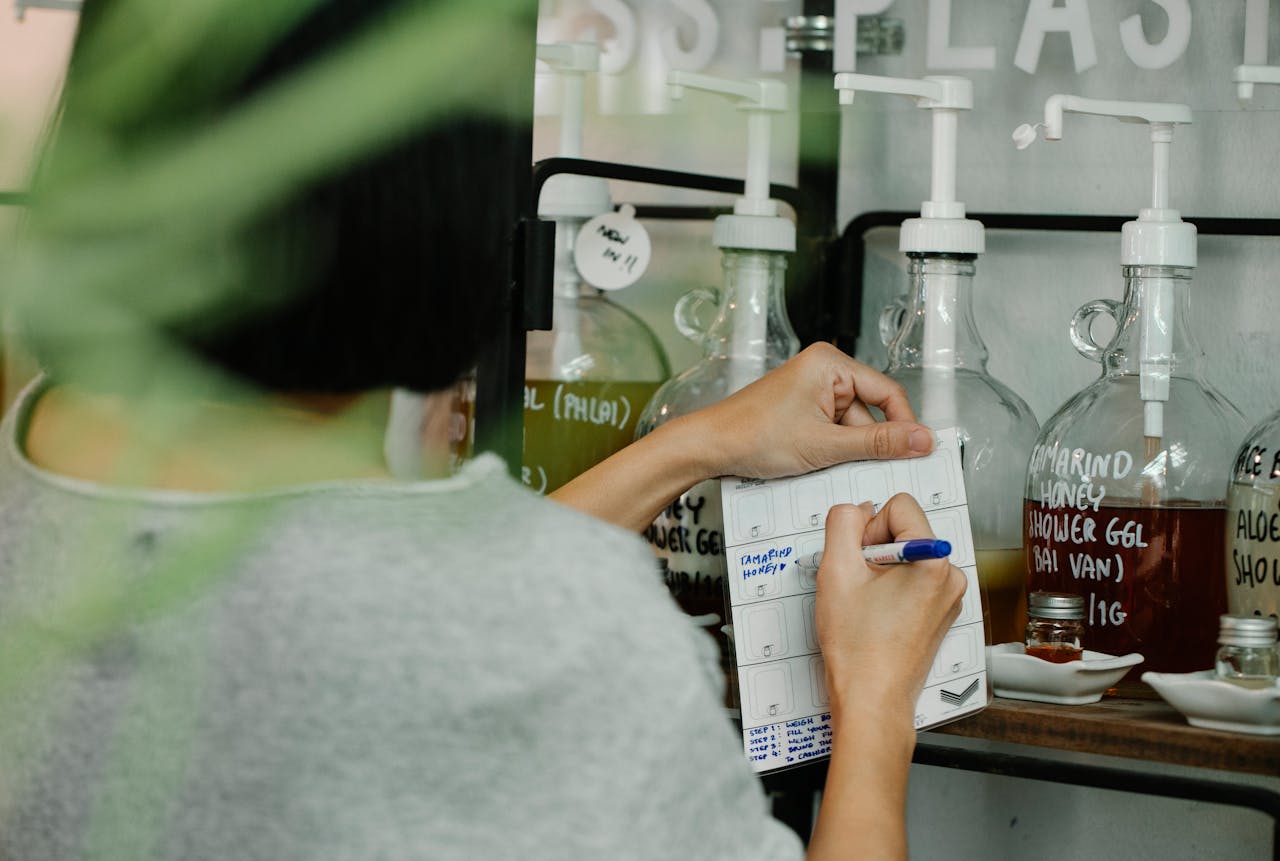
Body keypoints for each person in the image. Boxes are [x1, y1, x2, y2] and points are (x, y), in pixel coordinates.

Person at [0, 1, 966, 858]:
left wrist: (695, 443)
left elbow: (374, 590)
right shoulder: (563, 627)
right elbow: (459, 614)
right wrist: (876, 704)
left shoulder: (29, 462)